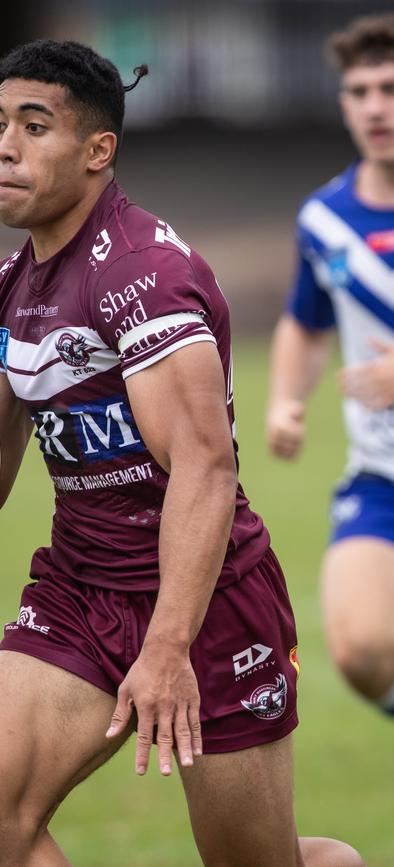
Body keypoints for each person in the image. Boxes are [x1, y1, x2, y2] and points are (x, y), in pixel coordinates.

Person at [0, 40, 362, 867]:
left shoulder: (143, 276)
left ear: (97, 151)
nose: (5, 146)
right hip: (82, 584)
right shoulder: (3, 292)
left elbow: (207, 469)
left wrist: (168, 647)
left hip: (207, 594)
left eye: (35, 127)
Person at [267, 13, 394, 722]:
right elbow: (306, 322)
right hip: (381, 476)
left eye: (389, 87)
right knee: (360, 647)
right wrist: (287, 399)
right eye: (360, 90)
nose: (375, 106)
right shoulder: (325, 220)